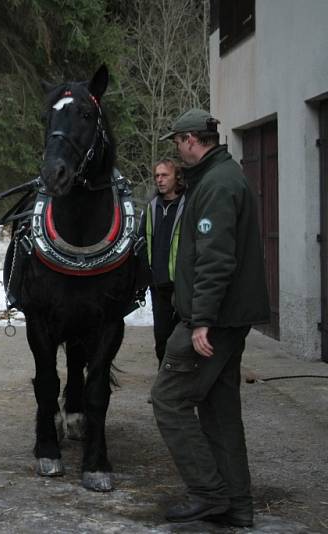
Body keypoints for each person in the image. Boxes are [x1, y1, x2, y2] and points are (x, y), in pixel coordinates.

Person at [151, 109, 269, 527]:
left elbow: (216, 259)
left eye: (177, 143)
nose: (177, 152)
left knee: (168, 399)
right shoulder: (222, 177)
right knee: (220, 409)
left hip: (214, 321)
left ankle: (207, 491)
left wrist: (200, 319)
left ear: (189, 140)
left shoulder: (217, 184)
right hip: (227, 317)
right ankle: (237, 506)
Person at [145, 159, 185, 368]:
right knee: (161, 339)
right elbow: (144, 242)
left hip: (182, 284)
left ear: (176, 177)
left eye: (164, 175)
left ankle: (182, 385)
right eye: (157, 176)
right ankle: (165, 383)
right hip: (159, 283)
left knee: (182, 339)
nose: (159, 180)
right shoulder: (152, 207)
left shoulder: (188, 205)